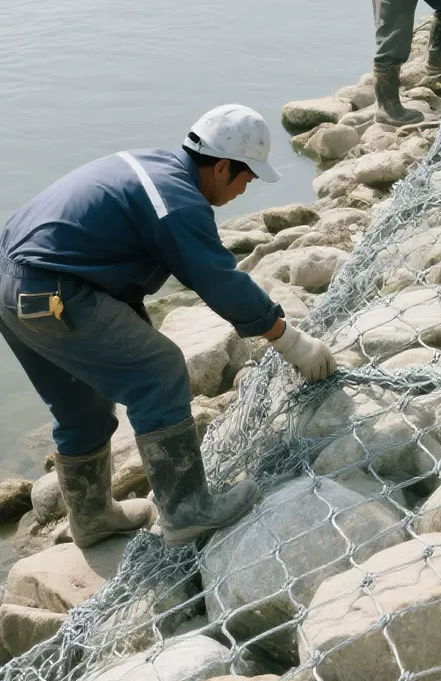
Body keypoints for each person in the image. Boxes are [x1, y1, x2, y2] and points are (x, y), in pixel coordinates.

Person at [0, 106, 339, 549]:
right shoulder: (176, 202)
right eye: (247, 177)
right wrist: (288, 338)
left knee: (79, 404)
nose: (247, 187)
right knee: (158, 372)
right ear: (221, 167)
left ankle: (92, 517)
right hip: (52, 287)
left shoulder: (154, 167)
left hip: (15, 287)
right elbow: (216, 277)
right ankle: (187, 510)